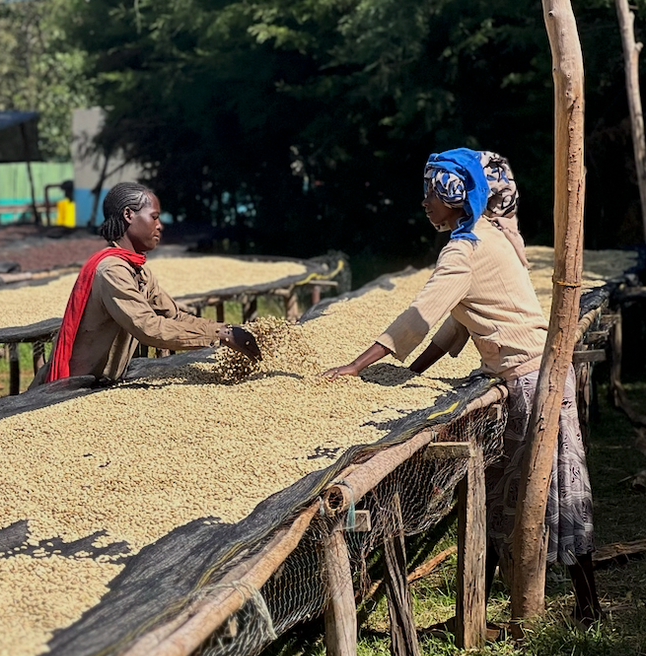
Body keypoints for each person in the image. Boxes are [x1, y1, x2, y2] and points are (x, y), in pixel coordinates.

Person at [323, 148, 601, 627]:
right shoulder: (484, 236)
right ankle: (484, 609)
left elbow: (421, 315)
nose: (426, 201)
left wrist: (356, 365)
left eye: (432, 192)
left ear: (454, 195)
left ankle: (584, 606)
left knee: (546, 491)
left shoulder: (464, 249)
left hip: (529, 379)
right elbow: (458, 323)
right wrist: (414, 373)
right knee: (507, 493)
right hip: (535, 373)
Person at [32, 181, 261, 386]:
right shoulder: (113, 271)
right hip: (70, 388)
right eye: (154, 217)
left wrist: (227, 330)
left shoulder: (137, 270)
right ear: (129, 214)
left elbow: (174, 316)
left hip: (98, 384)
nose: (160, 225)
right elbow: (148, 328)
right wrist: (220, 335)